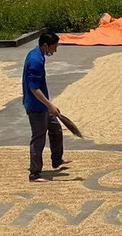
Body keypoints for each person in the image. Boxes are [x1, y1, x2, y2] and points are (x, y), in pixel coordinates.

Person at [22, 31, 82, 183]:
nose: (55, 50)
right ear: (45, 45)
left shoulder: (37, 54)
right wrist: (50, 105)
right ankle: (35, 174)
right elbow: (33, 88)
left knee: (55, 129)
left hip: (42, 104)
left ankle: (57, 160)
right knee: (38, 138)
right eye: (54, 47)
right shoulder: (35, 60)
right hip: (36, 106)